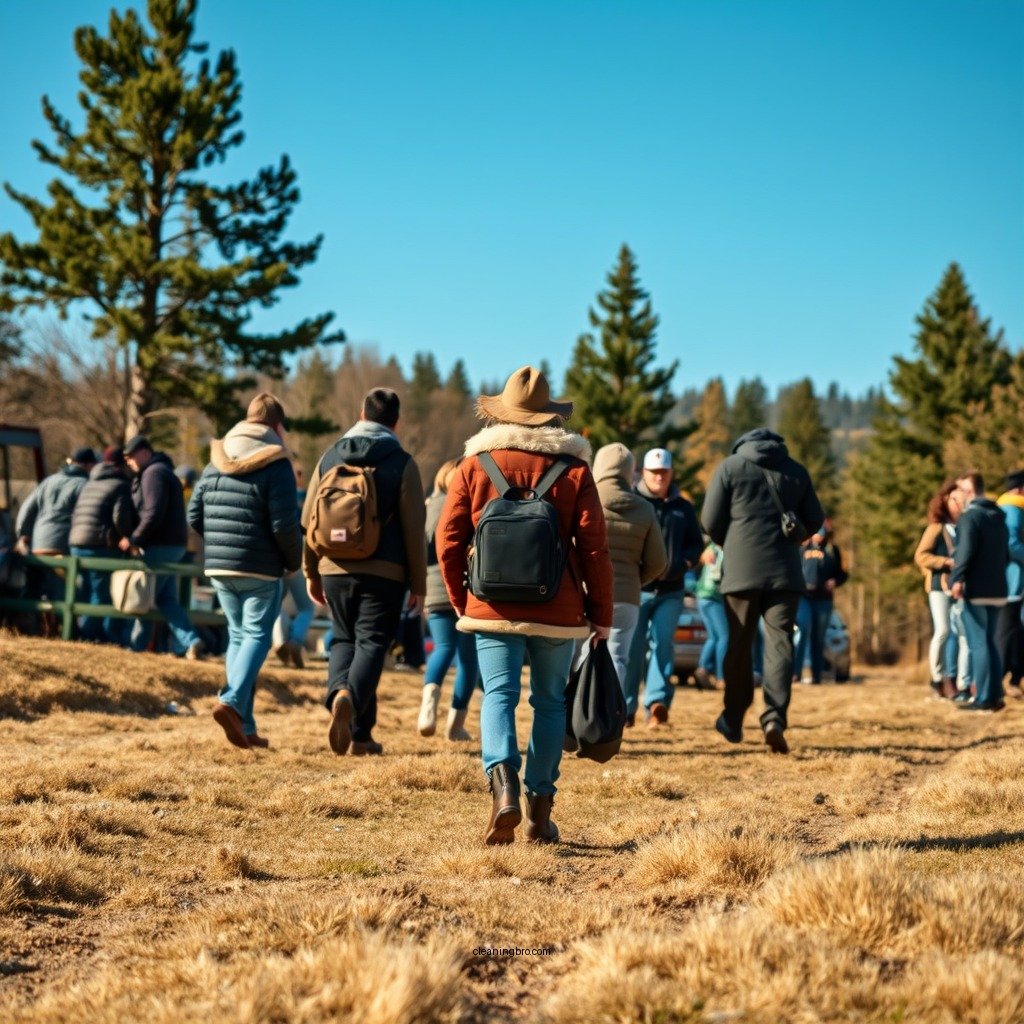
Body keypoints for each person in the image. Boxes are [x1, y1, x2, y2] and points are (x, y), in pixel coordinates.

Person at [437, 365, 613, 845]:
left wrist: (462, 599)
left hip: (490, 605)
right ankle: (539, 809)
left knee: (498, 695)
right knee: (550, 701)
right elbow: (594, 547)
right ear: (550, 417)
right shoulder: (575, 469)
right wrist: (601, 614)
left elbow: (448, 540)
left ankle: (503, 791)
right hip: (558, 610)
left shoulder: (476, 465)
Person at [303, 387, 427, 757]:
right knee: (373, 642)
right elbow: (413, 528)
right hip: (384, 571)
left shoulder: (329, 456)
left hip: (333, 567)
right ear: (396, 422)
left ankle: (360, 734)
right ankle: (350, 698)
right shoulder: (402, 461)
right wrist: (418, 584)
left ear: (361, 414)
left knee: (344, 640)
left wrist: (311, 571)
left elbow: (308, 517)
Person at [188, 393, 302, 749]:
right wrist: (292, 561)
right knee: (257, 637)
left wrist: (220, 546)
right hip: (261, 567)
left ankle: (247, 726)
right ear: (277, 427)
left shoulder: (214, 461)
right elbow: (285, 524)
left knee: (239, 638)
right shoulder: (277, 463)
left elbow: (194, 514)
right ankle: (232, 701)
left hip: (219, 565)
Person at [701, 428, 825, 755]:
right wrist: (795, 533)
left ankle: (733, 717)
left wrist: (735, 541)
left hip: (741, 572)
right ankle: (774, 719)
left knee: (739, 645)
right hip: (785, 573)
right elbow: (816, 519)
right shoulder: (796, 470)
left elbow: (709, 520)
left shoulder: (730, 467)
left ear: (743, 444)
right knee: (780, 643)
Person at [623, 448, 702, 728]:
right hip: (638, 589)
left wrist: (686, 561)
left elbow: (696, 542)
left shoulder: (683, 507)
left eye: (664, 472)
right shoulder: (633, 502)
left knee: (664, 643)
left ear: (671, 474)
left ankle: (657, 704)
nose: (659, 477)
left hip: (671, 589)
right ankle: (626, 708)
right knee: (632, 648)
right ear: (644, 472)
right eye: (654, 472)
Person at [591, 442, 667, 718]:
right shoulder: (645, 509)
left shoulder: (585, 499)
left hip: (586, 593)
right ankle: (610, 720)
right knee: (618, 659)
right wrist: (635, 580)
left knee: (578, 658)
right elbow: (659, 561)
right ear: (630, 472)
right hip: (626, 596)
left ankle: (575, 722)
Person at [121, 435, 204, 658]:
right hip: (174, 544)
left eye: (131, 457)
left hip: (161, 545)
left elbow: (153, 512)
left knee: (143, 597)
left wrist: (135, 538)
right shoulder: (163, 471)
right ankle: (191, 641)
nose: (128, 461)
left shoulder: (153, 473)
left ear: (145, 453)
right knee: (164, 598)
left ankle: (135, 648)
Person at [420, 458, 479, 741]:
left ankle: (427, 708)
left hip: (433, 587)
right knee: (468, 659)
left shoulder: (429, 506)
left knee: (442, 647)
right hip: (465, 586)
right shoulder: (466, 503)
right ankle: (455, 725)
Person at [949, 472, 1009, 712]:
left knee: (978, 643)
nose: (958, 496)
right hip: (998, 588)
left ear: (970, 492)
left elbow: (965, 552)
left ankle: (984, 698)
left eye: (960, 490)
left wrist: (957, 579)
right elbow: (1005, 555)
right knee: (991, 643)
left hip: (976, 588)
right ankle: (995, 695)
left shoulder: (970, 517)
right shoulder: (999, 516)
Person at [68, 445, 135, 644]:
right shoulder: (120, 485)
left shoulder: (89, 483)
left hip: (76, 542)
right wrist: (127, 537)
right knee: (101, 595)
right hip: (99, 544)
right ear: (121, 465)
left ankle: (85, 632)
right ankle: (88, 637)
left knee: (85, 592)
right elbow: (120, 517)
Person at [15, 447, 96, 611]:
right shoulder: (85, 485)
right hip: (63, 547)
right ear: (89, 465)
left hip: (38, 546)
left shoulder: (48, 481)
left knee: (36, 591)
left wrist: (23, 535)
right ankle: (67, 631)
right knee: (66, 595)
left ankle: (32, 628)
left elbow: (26, 511)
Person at [914, 481, 961, 699]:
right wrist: (945, 562)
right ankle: (936, 678)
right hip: (938, 586)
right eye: (954, 499)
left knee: (958, 632)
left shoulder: (962, 527)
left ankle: (955, 680)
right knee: (943, 631)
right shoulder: (936, 528)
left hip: (958, 587)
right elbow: (921, 555)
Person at [272, 460, 315, 669]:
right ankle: (296, 640)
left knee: (275, 604)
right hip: (296, 560)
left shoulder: (275, 493)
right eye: (299, 472)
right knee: (306, 606)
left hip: (273, 560)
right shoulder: (306, 499)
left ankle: (280, 640)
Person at [794, 519, 848, 684]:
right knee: (802, 630)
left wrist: (835, 582)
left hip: (823, 600)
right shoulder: (802, 549)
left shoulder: (833, 551)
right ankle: (795, 673)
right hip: (804, 597)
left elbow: (843, 574)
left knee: (819, 637)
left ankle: (817, 675)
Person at [996, 470, 1024, 699]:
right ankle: (1003, 679)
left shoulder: (1007, 507)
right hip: (1013, 582)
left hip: (1013, 581)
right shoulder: (1013, 509)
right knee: (1008, 632)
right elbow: (1012, 543)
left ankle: (1012, 679)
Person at [694, 540, 727, 690]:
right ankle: (722, 677)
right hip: (713, 595)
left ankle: (703, 668)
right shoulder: (722, 547)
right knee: (724, 637)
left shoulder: (712, 545)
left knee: (714, 637)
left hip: (702, 595)